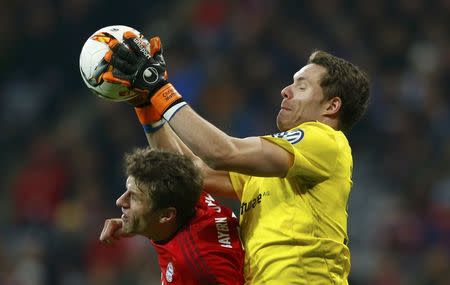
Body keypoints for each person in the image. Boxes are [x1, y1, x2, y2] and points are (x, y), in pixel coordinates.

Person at [103, 31, 370, 284]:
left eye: (301, 87)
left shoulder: (324, 140)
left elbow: (220, 153)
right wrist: (145, 105)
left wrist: (159, 89)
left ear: (331, 106)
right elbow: (192, 172)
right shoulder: (278, 168)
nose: (285, 91)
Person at [99, 147, 244, 285]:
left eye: (135, 198)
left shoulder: (197, 267)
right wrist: (141, 226)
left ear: (167, 215)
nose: (120, 201)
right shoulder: (186, 197)